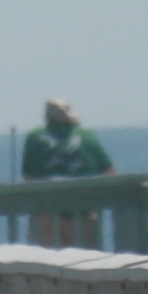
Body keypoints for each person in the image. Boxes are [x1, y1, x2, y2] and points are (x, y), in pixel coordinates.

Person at [21, 99, 113, 246]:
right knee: (87, 257)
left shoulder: (34, 137)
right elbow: (109, 172)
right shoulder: (87, 136)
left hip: (46, 212)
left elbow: (28, 176)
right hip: (83, 211)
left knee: (44, 256)